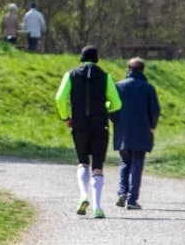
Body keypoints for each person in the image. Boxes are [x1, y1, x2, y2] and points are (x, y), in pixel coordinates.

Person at [55, 45, 122, 219]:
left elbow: (60, 98)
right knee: (98, 166)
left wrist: (65, 117)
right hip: (100, 124)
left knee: (83, 162)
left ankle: (83, 196)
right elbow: (117, 104)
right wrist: (105, 107)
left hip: (79, 124)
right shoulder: (105, 76)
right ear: (97, 58)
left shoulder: (71, 75)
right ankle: (98, 207)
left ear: (81, 58)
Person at [109, 57, 160, 211]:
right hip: (142, 130)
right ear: (142, 70)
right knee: (137, 163)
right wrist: (152, 125)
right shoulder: (148, 88)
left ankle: (122, 191)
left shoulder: (118, 86)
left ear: (128, 69)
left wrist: (116, 122)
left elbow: (111, 107)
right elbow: (155, 110)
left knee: (125, 162)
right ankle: (132, 199)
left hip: (123, 130)